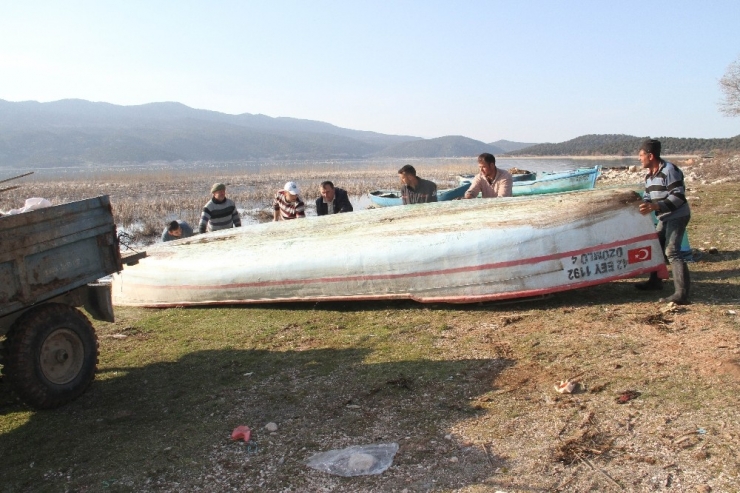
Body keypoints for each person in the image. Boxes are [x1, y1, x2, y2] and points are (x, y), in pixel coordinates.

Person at [635, 139, 691, 304]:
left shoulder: (669, 170)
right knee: (656, 247)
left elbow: (678, 196)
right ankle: (655, 282)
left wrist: (655, 206)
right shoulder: (649, 177)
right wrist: (638, 204)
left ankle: (682, 294)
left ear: (650, 156)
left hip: (677, 215)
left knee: (672, 251)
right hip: (664, 216)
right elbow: (647, 197)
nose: (639, 159)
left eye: (641, 155)